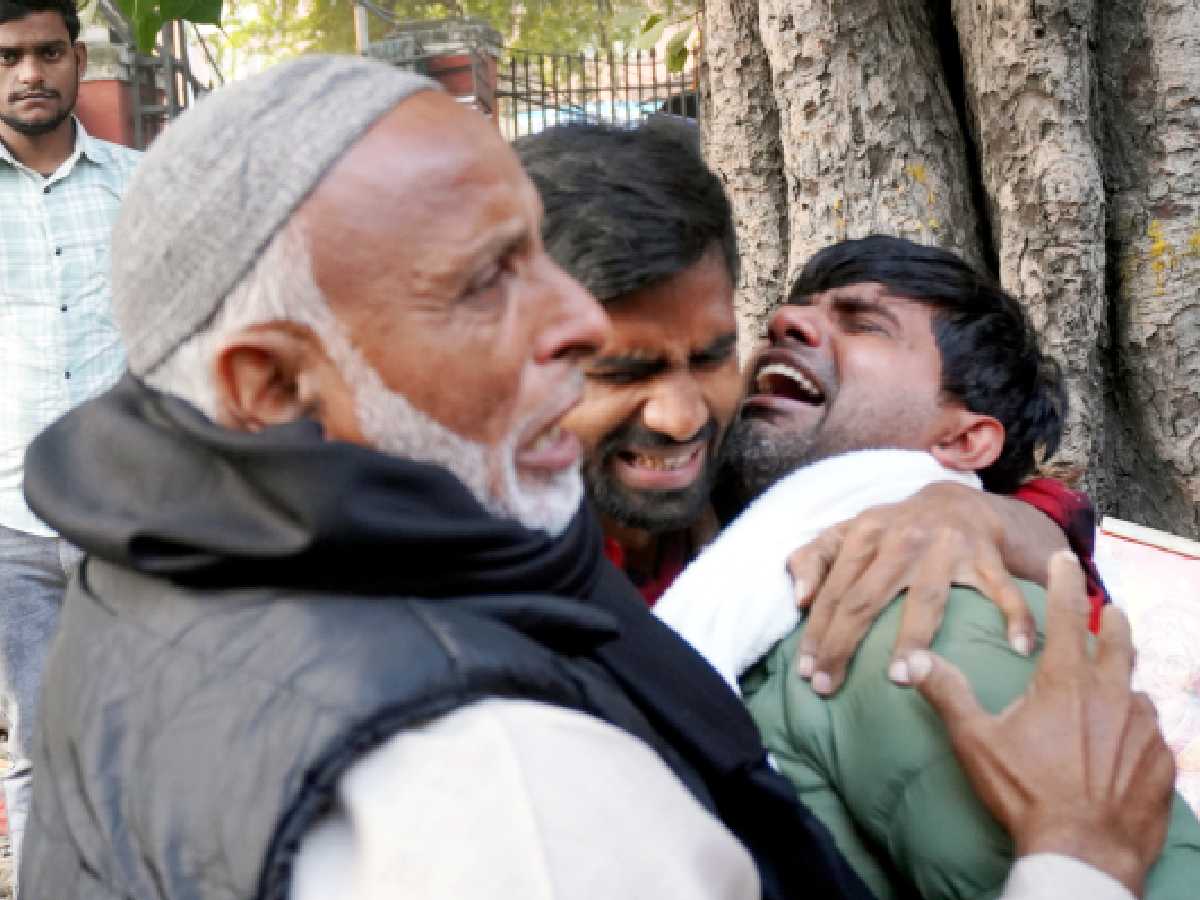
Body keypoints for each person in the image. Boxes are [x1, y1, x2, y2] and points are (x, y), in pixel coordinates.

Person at [18, 58, 1176, 900]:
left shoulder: (136, 572)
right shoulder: (506, 789)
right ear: (268, 385)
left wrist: (977, 510)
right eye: (488, 282)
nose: (570, 328)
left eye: (710, 357)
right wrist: (1073, 871)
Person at [655, 236, 1200, 899]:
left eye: (862, 324)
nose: (782, 323)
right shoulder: (716, 563)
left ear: (964, 439)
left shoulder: (926, 620)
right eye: (794, 308)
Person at [517, 121, 1110, 694]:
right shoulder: (502, 558)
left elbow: (1056, 516)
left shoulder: (966, 597)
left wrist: (978, 515)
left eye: (864, 325)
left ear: (963, 442)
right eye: (622, 373)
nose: (683, 420)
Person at [0, 0, 140, 870]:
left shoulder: (141, 185)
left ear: (78, 59)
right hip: (7, 524)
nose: (29, 73)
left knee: (141, 728)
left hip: (124, 514)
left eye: (48, 52)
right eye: (8, 55)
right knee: (39, 744)